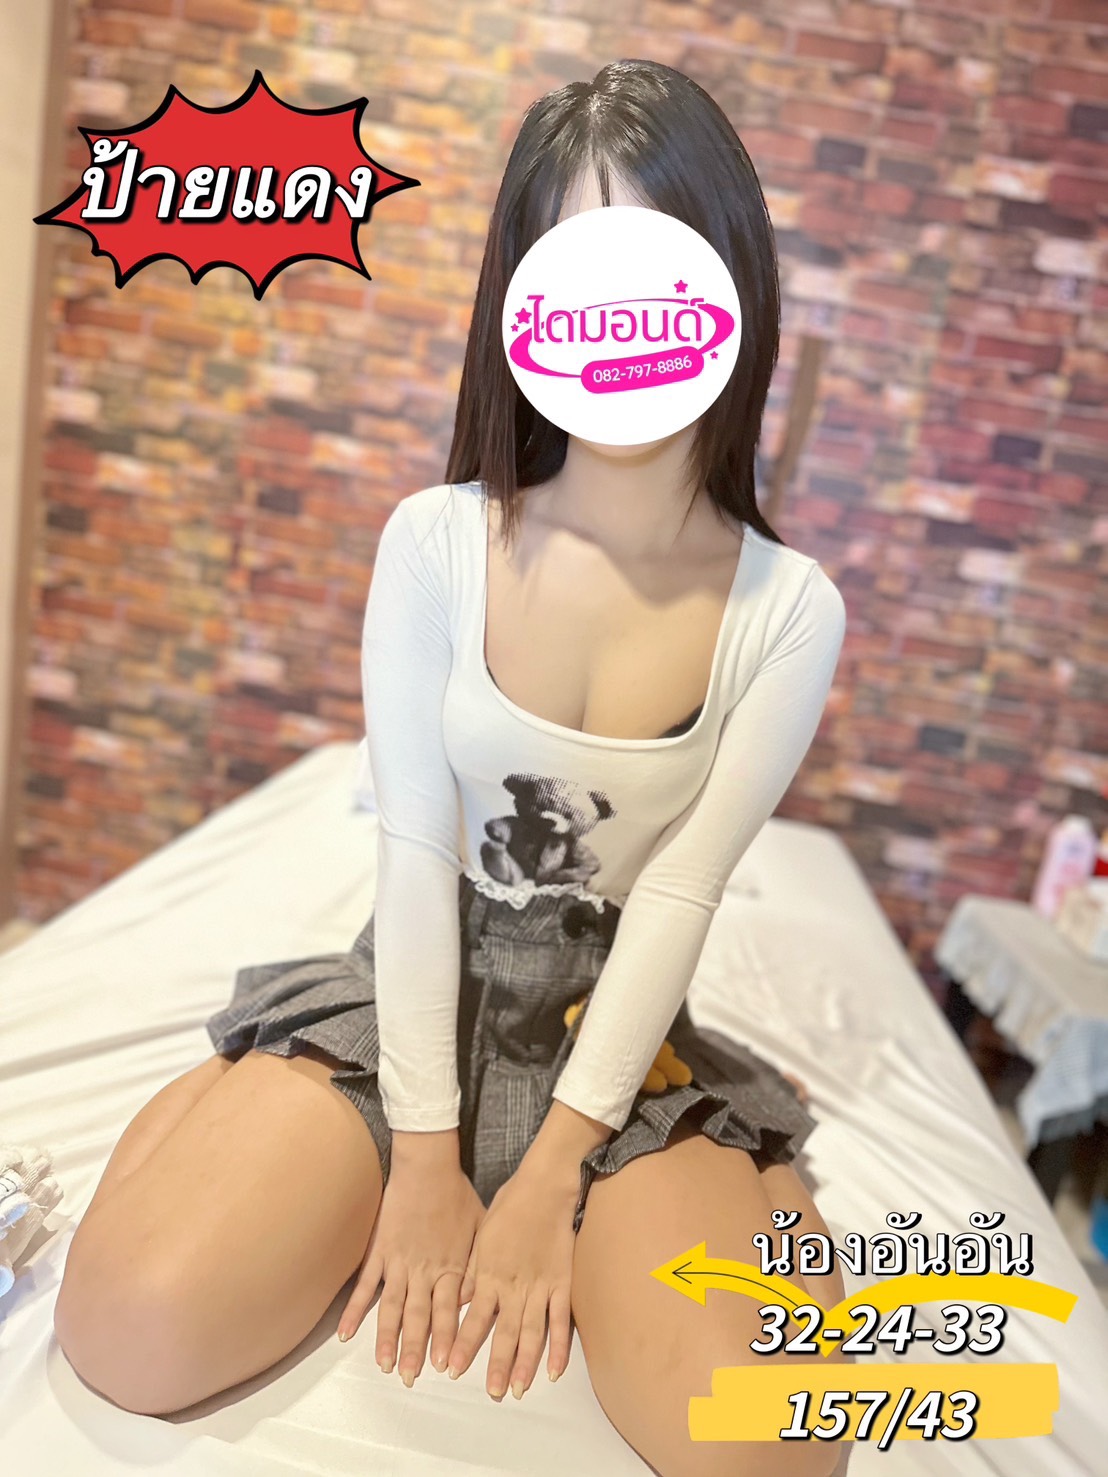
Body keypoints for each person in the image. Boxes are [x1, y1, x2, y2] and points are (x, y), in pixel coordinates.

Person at [54, 60, 852, 1477]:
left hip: (620, 1038)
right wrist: (424, 1158)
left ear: (728, 286)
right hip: (419, 992)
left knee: (767, 1451)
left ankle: (750, 1160)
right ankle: (241, 1079)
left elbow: (679, 894)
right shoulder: (435, 542)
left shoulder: (787, 609)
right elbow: (417, 847)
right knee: (129, 1329)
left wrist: (550, 1175)